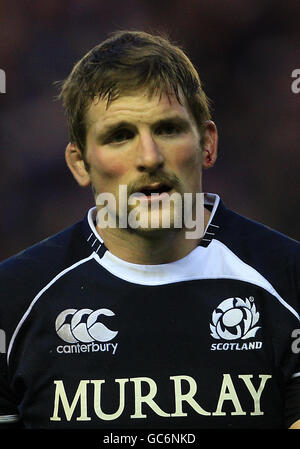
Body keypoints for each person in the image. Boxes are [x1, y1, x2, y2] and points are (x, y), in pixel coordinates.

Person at [0, 30, 299, 430]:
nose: (149, 157)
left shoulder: (290, 280)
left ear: (206, 144)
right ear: (79, 163)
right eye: (120, 135)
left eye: (168, 129)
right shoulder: (12, 299)